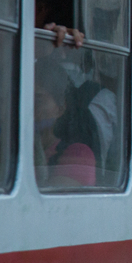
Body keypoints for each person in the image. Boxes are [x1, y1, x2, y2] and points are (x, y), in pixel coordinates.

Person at [34, 58, 96, 187]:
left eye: (37, 101)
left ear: (61, 108)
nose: (27, 108)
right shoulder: (4, 149)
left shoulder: (78, 154)